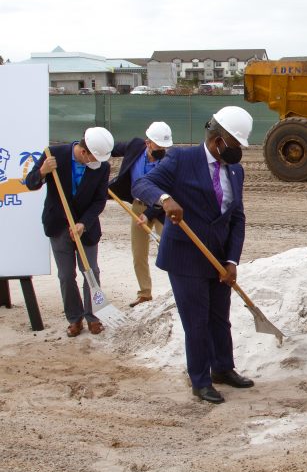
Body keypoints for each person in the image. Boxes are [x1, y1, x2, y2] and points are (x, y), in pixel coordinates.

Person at [132, 106, 254, 404]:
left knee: (219, 318)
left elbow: (236, 217)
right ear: (218, 138)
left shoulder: (236, 170)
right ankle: (199, 380)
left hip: (219, 258)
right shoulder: (182, 159)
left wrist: (232, 260)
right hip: (186, 255)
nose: (238, 151)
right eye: (235, 144)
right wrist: (165, 199)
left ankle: (222, 368)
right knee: (196, 322)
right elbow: (142, 184)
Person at [25, 127, 114, 337]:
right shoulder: (53, 155)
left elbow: (100, 200)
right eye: (94, 157)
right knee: (66, 275)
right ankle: (74, 318)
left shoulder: (101, 167)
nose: (97, 162)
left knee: (91, 271)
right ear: (84, 152)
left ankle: (93, 316)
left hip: (86, 228)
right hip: (58, 225)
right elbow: (30, 183)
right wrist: (42, 171)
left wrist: (84, 223)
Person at [109, 122, 174, 307]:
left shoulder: (169, 162)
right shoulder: (135, 146)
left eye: (165, 147)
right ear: (148, 143)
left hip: (161, 209)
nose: (162, 150)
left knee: (170, 250)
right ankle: (144, 293)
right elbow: (112, 148)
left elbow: (169, 193)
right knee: (139, 254)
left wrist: (150, 213)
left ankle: (178, 291)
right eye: (159, 147)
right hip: (137, 207)